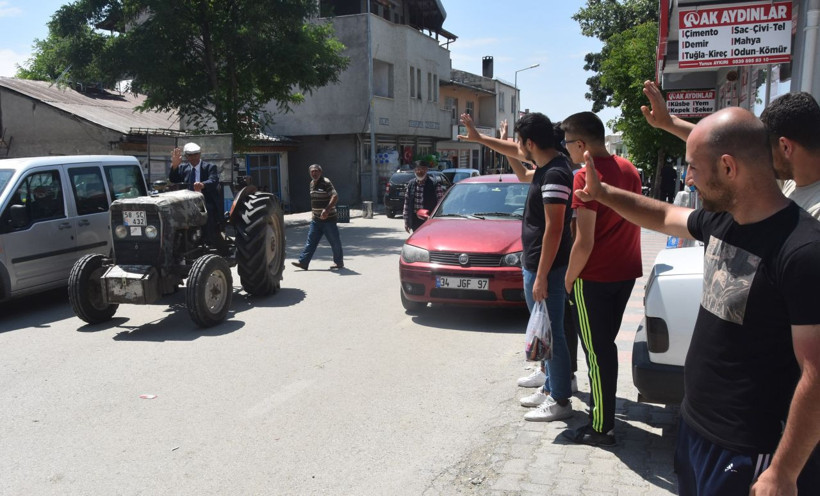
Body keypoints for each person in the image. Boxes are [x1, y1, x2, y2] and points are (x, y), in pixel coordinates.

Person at [574, 106, 820, 496]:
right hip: (695, 427)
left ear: (728, 167)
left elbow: (817, 374)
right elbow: (663, 216)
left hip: (750, 449)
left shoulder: (803, 250)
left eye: (693, 167)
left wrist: (784, 471)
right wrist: (604, 194)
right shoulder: (725, 219)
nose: (688, 178)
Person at [459, 111, 575, 423]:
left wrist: (541, 276)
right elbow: (520, 165)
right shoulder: (548, 165)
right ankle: (551, 387)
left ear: (531, 143)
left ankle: (560, 399)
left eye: (520, 142)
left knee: (553, 334)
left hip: (547, 268)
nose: (517, 146)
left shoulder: (555, 174)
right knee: (545, 331)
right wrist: (482, 138)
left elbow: (555, 229)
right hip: (538, 264)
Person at [561, 111, 643, 447]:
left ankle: (601, 427)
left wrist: (568, 279)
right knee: (605, 348)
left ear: (581, 144)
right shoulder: (629, 169)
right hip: (625, 272)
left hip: (593, 276)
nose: (565, 148)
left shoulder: (585, 176)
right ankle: (604, 417)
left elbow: (584, 240)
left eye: (567, 143)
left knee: (596, 354)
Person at [642, 81, 820, 219]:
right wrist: (670, 123)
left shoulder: (815, 210)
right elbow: (718, 145)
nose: (759, 155)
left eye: (764, 147)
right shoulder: (793, 181)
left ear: (785, 147)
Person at [169, 142, 223, 248]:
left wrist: (202, 185)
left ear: (200, 154)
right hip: (185, 202)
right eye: (190, 155)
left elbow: (213, 180)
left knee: (205, 212)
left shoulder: (209, 167)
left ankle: (208, 241)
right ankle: (181, 243)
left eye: (196, 154)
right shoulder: (182, 168)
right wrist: (174, 165)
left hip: (202, 201)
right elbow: (173, 179)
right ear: (186, 156)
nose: (194, 157)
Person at [291, 164, 344, 270]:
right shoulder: (311, 183)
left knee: (334, 242)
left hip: (328, 219)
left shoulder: (326, 182)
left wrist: (327, 209)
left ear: (320, 172)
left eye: (316, 171)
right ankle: (303, 262)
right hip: (316, 220)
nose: (314, 173)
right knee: (311, 242)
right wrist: (314, 215)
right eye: (312, 171)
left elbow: (335, 196)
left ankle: (338, 262)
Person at [403, 160, 446, 233]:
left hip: (429, 219)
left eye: (422, 169)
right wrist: (406, 221)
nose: (420, 171)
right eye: (418, 169)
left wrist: (437, 218)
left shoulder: (434, 184)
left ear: (426, 170)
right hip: (415, 219)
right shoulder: (411, 184)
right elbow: (407, 204)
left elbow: (440, 204)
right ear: (414, 171)